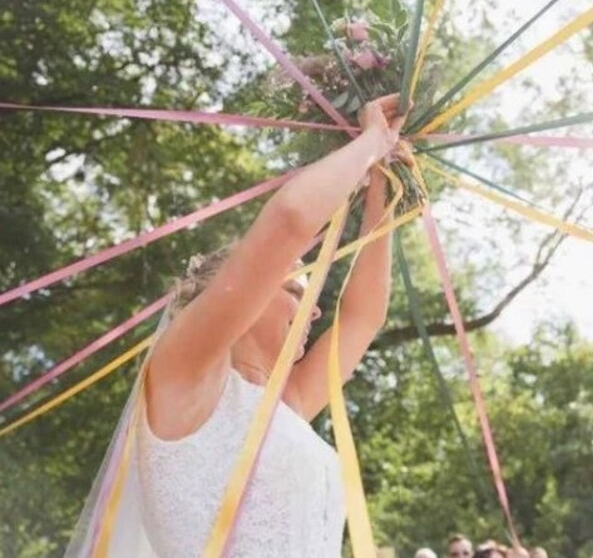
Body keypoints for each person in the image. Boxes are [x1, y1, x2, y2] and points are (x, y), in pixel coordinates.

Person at [65, 94, 409, 557]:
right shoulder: (187, 378)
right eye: (296, 291)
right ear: (248, 291)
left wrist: (381, 189)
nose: (314, 312)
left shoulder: (286, 403)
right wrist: (370, 141)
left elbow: (363, 318)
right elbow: (288, 222)